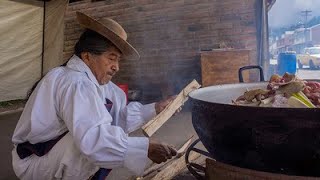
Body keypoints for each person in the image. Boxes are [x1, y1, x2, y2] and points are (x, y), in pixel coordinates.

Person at [12, 11, 178, 180]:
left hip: (53, 155)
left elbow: (118, 118)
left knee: (102, 138)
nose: (116, 67)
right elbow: (94, 141)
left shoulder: (106, 88)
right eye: (111, 58)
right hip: (35, 161)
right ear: (87, 56)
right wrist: (146, 148)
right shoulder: (74, 82)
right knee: (86, 145)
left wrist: (156, 108)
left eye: (118, 60)